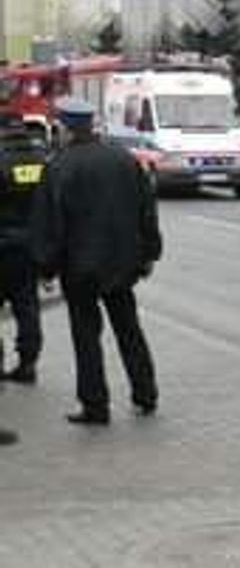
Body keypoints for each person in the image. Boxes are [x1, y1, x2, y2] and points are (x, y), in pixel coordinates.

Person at [31, 98, 163, 425]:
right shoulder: (124, 159)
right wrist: (149, 253)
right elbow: (147, 210)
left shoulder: (59, 166)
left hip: (80, 268)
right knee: (129, 328)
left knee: (86, 335)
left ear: (65, 127)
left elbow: (50, 223)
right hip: (122, 264)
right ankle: (146, 393)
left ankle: (95, 404)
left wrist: (45, 266)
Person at [0, 112, 49, 384]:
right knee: (27, 307)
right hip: (31, 247)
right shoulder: (42, 160)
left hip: (3, 246)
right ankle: (28, 363)